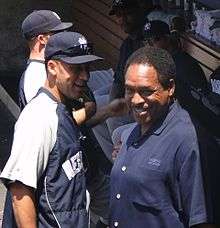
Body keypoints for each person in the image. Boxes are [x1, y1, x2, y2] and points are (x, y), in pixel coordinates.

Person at [0, 31, 103, 227]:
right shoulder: (38, 116)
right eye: (76, 68)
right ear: (52, 67)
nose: (85, 76)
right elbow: (20, 192)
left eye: (87, 68)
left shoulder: (61, 110)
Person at [110, 46, 215, 227]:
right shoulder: (130, 133)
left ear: (170, 88)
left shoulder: (190, 143)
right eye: (129, 90)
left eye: (146, 91)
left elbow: (202, 221)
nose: (136, 100)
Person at [92, 0, 151, 162]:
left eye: (128, 14)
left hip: (145, 101)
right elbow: (118, 80)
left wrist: (118, 108)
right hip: (128, 93)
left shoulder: (150, 37)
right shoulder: (128, 43)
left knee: (112, 120)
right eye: (119, 15)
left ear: (140, 10)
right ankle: (116, 165)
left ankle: (126, 165)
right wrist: (112, 105)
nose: (123, 19)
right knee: (96, 107)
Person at [19, 10, 73, 110]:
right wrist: (91, 110)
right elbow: (52, 122)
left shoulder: (46, 67)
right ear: (42, 39)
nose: (63, 35)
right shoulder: (36, 77)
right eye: (58, 33)